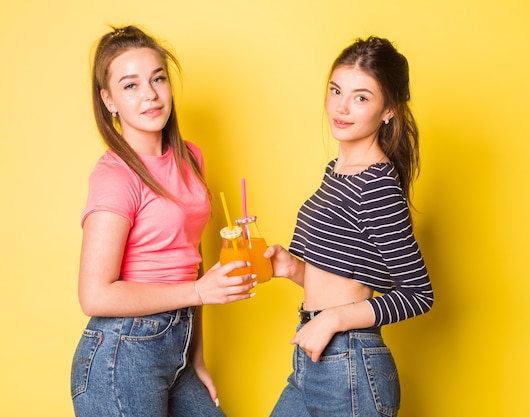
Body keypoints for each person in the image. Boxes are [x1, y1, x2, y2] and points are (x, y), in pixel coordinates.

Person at [69, 25, 256, 417]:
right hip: (121, 355)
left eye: (157, 79)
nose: (150, 94)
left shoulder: (190, 157)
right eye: (130, 85)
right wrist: (199, 292)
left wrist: (196, 357)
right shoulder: (115, 176)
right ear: (109, 100)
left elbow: (193, 256)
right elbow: (95, 295)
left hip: (178, 349)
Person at [265, 36, 434, 417]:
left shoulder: (377, 185)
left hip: (350, 363)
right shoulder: (336, 172)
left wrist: (334, 319)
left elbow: (418, 294)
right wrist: (292, 268)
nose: (341, 107)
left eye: (361, 97)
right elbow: (342, 278)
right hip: (313, 356)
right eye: (336, 90)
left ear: (388, 110)